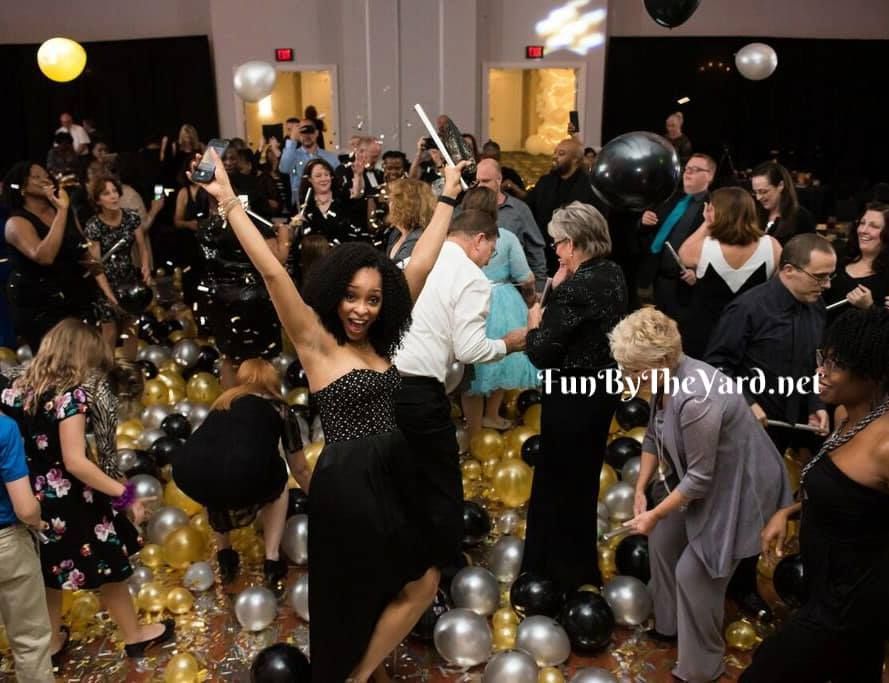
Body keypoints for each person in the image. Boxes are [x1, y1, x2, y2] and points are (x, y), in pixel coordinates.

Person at [192, 145, 466, 683]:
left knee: (410, 581)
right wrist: (229, 202)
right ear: (333, 295)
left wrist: (450, 192)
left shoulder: (382, 338)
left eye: (371, 298)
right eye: (351, 297)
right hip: (349, 484)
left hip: (394, 471)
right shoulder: (316, 341)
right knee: (397, 584)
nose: (361, 308)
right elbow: (273, 274)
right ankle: (355, 676)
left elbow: (425, 262)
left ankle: (362, 672)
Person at [612, 308, 791, 683]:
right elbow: (652, 436)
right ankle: (671, 625)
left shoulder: (697, 396)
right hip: (701, 475)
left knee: (695, 573)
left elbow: (699, 479)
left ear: (661, 360)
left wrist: (655, 513)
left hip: (738, 484)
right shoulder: (660, 378)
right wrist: (642, 489)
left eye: (634, 369)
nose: (628, 378)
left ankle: (701, 667)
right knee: (662, 541)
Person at [0, 320, 173, 667]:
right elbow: (76, 461)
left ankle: (51, 641)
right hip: (72, 501)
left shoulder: (13, 390)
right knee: (109, 566)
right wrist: (125, 495)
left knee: (47, 570)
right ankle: (134, 636)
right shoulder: (70, 395)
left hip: (30, 497)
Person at [742, 308, 889, 683]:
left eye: (835, 365)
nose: (821, 372)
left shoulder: (886, 444)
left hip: (851, 601)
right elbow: (844, 496)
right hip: (823, 586)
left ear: (872, 374)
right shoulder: (844, 414)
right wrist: (789, 512)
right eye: (822, 358)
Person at [705, 233, 835, 617]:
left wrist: (816, 405)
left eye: (830, 278)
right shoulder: (747, 308)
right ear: (789, 270)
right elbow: (715, 364)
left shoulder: (815, 306)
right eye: (820, 277)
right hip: (750, 431)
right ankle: (733, 585)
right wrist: (748, 402)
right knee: (745, 508)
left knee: (785, 505)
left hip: (794, 425)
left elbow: (817, 365)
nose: (827, 286)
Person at [393, 202, 527, 568]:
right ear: (479, 241)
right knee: (442, 483)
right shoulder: (472, 279)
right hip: (419, 390)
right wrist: (510, 344)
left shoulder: (417, 259)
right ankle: (445, 567)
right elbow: (470, 349)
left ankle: (402, 555)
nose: (490, 259)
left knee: (398, 477)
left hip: (382, 380)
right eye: (491, 250)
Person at [521, 202, 628, 590]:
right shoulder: (612, 273)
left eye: (558, 244)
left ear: (574, 243)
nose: (556, 252)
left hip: (571, 395)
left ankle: (555, 573)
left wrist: (535, 321)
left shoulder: (577, 289)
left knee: (557, 483)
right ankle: (579, 566)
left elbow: (540, 351)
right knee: (581, 483)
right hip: (601, 390)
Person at [173, 359, 307, 591]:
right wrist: (322, 498)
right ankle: (272, 560)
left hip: (187, 471)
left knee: (213, 475)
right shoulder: (279, 408)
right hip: (237, 474)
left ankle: (225, 555)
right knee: (279, 478)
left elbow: (209, 449)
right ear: (272, 381)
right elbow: (299, 468)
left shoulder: (223, 402)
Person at [458, 188, 537, 436]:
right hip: (503, 302)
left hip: (466, 300)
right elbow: (525, 277)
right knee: (501, 360)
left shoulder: (457, 240)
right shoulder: (506, 237)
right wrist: (532, 296)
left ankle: (473, 427)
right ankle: (492, 414)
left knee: (471, 372)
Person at [195, 190, 288, 387]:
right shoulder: (254, 227)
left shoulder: (205, 229)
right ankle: (264, 404)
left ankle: (230, 407)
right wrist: (284, 236)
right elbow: (277, 259)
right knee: (264, 359)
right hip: (254, 300)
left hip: (220, 300)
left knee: (230, 357)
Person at [677, 187, 781, 356]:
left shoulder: (705, 246)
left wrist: (706, 224)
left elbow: (683, 254)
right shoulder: (772, 246)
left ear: (716, 212)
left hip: (705, 336)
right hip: (751, 336)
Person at [2, 162, 94, 351]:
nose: (45, 179)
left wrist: (92, 263)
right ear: (22, 188)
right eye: (36, 177)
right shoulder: (16, 222)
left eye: (46, 174)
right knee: (57, 363)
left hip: (75, 293)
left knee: (84, 356)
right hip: (39, 302)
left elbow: (83, 245)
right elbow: (44, 256)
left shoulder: (68, 212)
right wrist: (61, 210)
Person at [0, 410, 54, 681]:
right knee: (30, 642)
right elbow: (24, 507)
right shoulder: (4, 428)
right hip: (7, 545)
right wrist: (38, 520)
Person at [638, 153, 715, 323]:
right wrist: (644, 221)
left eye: (695, 170)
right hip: (655, 278)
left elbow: (716, 248)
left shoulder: (714, 207)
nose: (687, 173)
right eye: (686, 169)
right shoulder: (672, 198)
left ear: (709, 175)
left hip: (684, 285)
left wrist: (698, 273)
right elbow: (649, 233)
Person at [84, 174, 153, 359]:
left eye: (115, 191)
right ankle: (108, 374)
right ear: (98, 199)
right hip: (105, 281)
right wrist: (109, 295)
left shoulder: (131, 217)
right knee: (110, 331)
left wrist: (145, 266)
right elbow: (96, 266)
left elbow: (141, 245)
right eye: (106, 193)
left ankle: (129, 369)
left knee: (132, 328)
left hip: (129, 278)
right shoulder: (94, 226)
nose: (113, 196)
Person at [520, 139, 609, 274]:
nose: (555, 156)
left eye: (561, 153)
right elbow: (526, 209)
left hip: (578, 256)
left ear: (575, 160)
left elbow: (596, 224)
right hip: (544, 256)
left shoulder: (591, 187)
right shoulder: (545, 182)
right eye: (555, 152)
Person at [475, 158, 548, 292]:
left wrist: (538, 290)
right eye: (478, 181)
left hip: (510, 288)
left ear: (499, 179)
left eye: (486, 181)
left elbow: (536, 251)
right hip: (473, 288)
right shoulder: (468, 208)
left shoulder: (519, 210)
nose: (480, 186)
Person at [823, 202, 889, 323]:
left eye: (874, 226)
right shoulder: (838, 257)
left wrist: (870, 307)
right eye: (862, 223)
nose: (863, 230)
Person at [751, 161, 816, 245]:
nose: (758, 197)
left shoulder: (801, 218)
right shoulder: (754, 214)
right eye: (755, 192)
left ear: (780, 185)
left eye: (763, 191)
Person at [279, 120, 340, 207]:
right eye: (303, 132)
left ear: (316, 133)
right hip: (300, 205)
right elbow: (284, 168)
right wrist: (292, 140)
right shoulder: (293, 155)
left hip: (326, 204)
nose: (306, 136)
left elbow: (338, 181)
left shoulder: (330, 157)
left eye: (310, 132)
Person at [384, 178, 436, 267]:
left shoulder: (417, 239)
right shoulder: (396, 233)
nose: (389, 204)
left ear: (401, 205)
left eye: (392, 200)